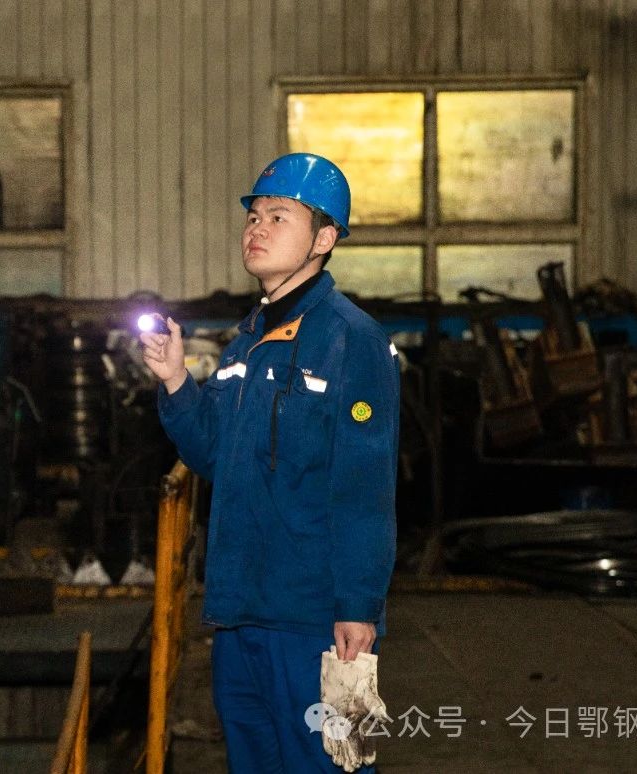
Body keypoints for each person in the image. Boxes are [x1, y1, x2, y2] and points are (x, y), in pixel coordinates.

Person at [140, 153, 399, 772]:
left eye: (278, 217)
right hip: (240, 612)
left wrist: (358, 605)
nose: (256, 228)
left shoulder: (352, 341)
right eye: (253, 216)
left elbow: (364, 486)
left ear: (324, 239)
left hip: (312, 618)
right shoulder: (247, 342)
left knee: (327, 762)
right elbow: (213, 455)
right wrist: (176, 381)